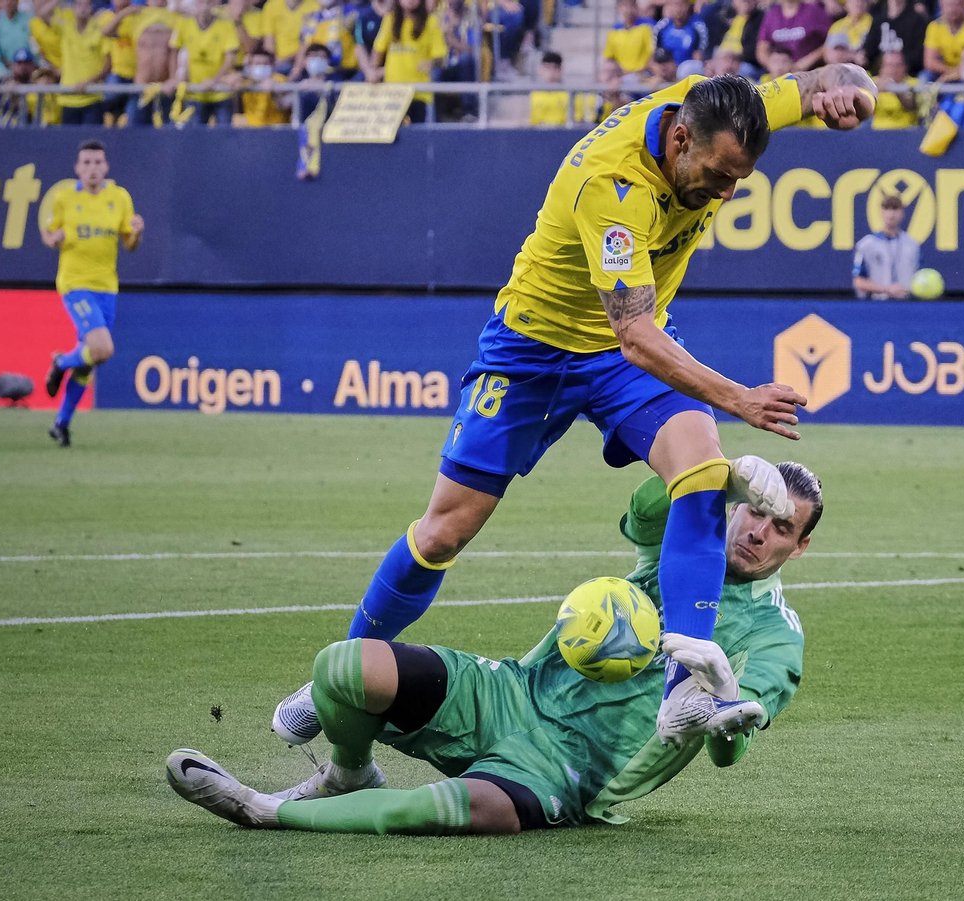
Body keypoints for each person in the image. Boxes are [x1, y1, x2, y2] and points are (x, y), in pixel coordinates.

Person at [269, 67, 875, 752]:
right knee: (442, 532)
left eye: (740, 178)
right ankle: (344, 668)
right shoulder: (612, 188)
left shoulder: (726, 112)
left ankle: (685, 684)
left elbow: (838, 77)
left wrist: (848, 90)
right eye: (718, 174)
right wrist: (739, 397)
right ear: (680, 140)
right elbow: (637, 337)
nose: (727, 191)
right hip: (536, 349)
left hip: (620, 356)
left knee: (702, 470)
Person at [175, 465, 821, 834]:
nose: (760, 530)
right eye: (755, 511)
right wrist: (718, 472)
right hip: (507, 693)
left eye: (782, 526)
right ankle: (347, 771)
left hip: (566, 773)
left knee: (439, 808)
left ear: (800, 546)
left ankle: (264, 810)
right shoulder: (685, 547)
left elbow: (732, 748)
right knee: (341, 666)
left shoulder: (776, 636)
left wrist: (726, 700)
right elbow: (644, 507)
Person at [40, 141, 144, 448]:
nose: (92, 168)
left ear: (106, 167)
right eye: (86, 163)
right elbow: (49, 235)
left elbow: (130, 245)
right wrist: (53, 239)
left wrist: (136, 232)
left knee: (89, 361)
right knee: (103, 349)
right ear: (77, 168)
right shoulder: (64, 198)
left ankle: (61, 424)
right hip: (75, 283)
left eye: (98, 162)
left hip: (107, 287)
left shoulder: (120, 197)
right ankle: (60, 363)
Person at [102, 0, 182, 126]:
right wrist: (126, 12)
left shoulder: (176, 17)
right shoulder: (137, 16)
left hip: (165, 88)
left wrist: (173, 78)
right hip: (141, 87)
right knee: (135, 132)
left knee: (167, 135)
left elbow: (174, 52)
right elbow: (106, 32)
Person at [31, 0, 110, 125]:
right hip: (68, 97)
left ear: (91, 8)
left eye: (86, 4)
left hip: (92, 98)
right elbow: (41, 14)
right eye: (79, 4)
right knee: (69, 144)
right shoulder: (66, 28)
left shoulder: (99, 29)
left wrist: (88, 82)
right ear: (73, 7)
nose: (82, 9)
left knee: (91, 143)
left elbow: (108, 66)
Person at [173, 0, 241, 125]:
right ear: (195, 4)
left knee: (223, 137)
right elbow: (174, 50)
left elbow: (230, 59)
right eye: (201, 3)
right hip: (195, 93)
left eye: (208, 3)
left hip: (221, 93)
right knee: (194, 138)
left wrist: (214, 80)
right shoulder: (184, 23)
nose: (204, 7)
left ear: (213, 4)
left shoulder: (225, 25)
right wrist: (175, 77)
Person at [852, 194, 920, 298]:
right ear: (881, 212)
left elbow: (919, 277)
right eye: (887, 209)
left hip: (906, 305)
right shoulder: (866, 245)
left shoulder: (912, 245)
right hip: (877, 305)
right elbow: (858, 281)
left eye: (895, 209)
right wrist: (886, 289)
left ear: (902, 213)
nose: (891, 214)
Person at [528, 49, 599, 125]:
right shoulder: (535, 94)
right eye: (547, 68)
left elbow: (577, 120)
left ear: (560, 70)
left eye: (554, 68)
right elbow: (533, 122)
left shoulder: (571, 93)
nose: (551, 72)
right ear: (541, 70)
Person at [923, 0, 964, 81]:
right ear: (941, 7)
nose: (952, 10)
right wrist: (950, 72)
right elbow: (930, 62)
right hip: (944, 71)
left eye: (956, 5)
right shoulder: (935, 26)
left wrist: (953, 75)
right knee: (924, 77)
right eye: (948, 6)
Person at [758, 0, 830, 71]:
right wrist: (775, 66)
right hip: (779, 72)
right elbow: (762, 49)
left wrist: (804, 63)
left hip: (809, 71)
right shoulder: (772, 14)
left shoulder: (813, 11)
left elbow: (830, 41)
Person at [861, 0, 926, 74]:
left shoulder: (917, 21)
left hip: (906, 76)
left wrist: (897, 61)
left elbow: (918, 56)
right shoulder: (878, 20)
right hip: (878, 74)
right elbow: (869, 52)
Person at [261, 0, 316, 76]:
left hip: (302, 62)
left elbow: (309, 42)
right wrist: (271, 60)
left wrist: (288, 60)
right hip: (276, 62)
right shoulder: (272, 5)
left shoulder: (315, 6)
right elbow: (269, 38)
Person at [237, 45, 289, 123]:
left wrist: (273, 85)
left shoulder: (279, 78)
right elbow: (236, 83)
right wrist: (256, 79)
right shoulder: (246, 80)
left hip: (275, 126)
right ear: (251, 66)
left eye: (265, 64)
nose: (261, 66)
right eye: (257, 64)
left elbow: (284, 100)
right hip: (251, 126)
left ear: (272, 65)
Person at [870, 47, 920, 126]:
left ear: (905, 67)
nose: (894, 69)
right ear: (881, 68)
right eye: (889, 65)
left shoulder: (913, 83)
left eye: (898, 65)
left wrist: (896, 89)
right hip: (877, 133)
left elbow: (911, 107)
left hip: (905, 132)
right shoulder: (873, 83)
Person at [603, 0, 656, 75]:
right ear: (619, 8)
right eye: (625, 6)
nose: (629, 9)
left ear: (636, 7)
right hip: (622, 75)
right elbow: (609, 57)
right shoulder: (614, 31)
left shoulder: (646, 28)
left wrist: (641, 71)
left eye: (631, 5)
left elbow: (652, 54)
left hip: (642, 74)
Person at [654, 0, 710, 66]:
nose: (678, 9)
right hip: (665, 67)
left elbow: (699, 56)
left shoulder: (698, 26)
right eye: (675, 5)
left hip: (687, 68)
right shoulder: (662, 26)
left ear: (688, 6)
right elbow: (654, 54)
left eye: (681, 5)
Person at [0, 0, 32, 78]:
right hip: (7, 74)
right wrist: (7, 74)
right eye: (4, 0)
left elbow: (37, 51)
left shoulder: (30, 21)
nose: (8, 2)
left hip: (31, 70)